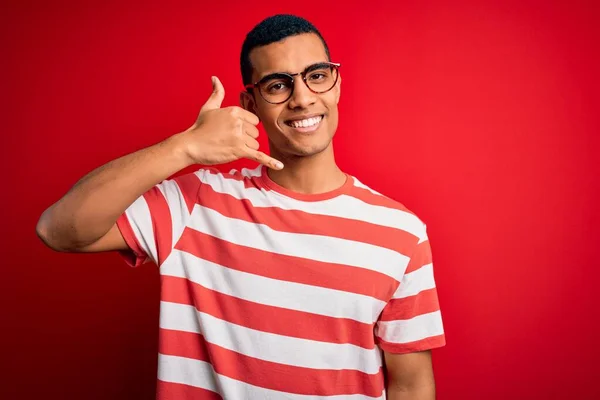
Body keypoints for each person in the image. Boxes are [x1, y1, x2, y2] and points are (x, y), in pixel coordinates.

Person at [36, 14, 445, 400]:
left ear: (336, 85)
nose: (303, 98)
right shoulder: (195, 202)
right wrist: (184, 147)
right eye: (278, 85)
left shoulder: (401, 233)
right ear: (250, 104)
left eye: (317, 77)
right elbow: (59, 229)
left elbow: (411, 387)